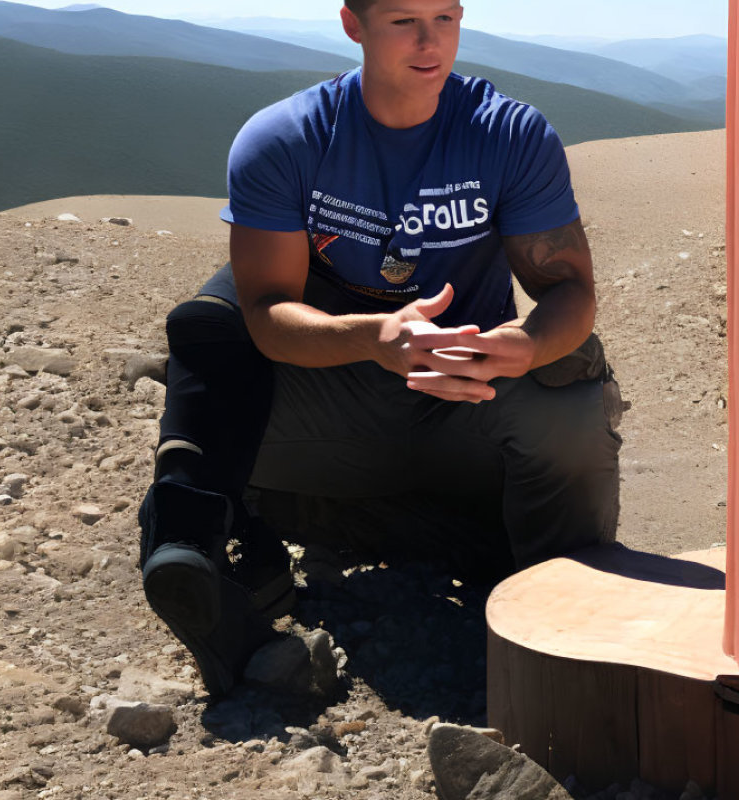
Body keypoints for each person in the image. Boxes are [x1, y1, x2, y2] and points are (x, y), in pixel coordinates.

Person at [137, 0, 623, 697]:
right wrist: (374, 335)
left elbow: (570, 292)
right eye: (403, 20)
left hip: (463, 396)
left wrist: (521, 345)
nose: (430, 42)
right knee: (210, 327)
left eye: (446, 17)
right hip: (334, 390)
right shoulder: (287, 138)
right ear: (353, 23)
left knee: (571, 373)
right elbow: (268, 314)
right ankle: (208, 540)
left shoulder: (508, 135)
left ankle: (562, 613)